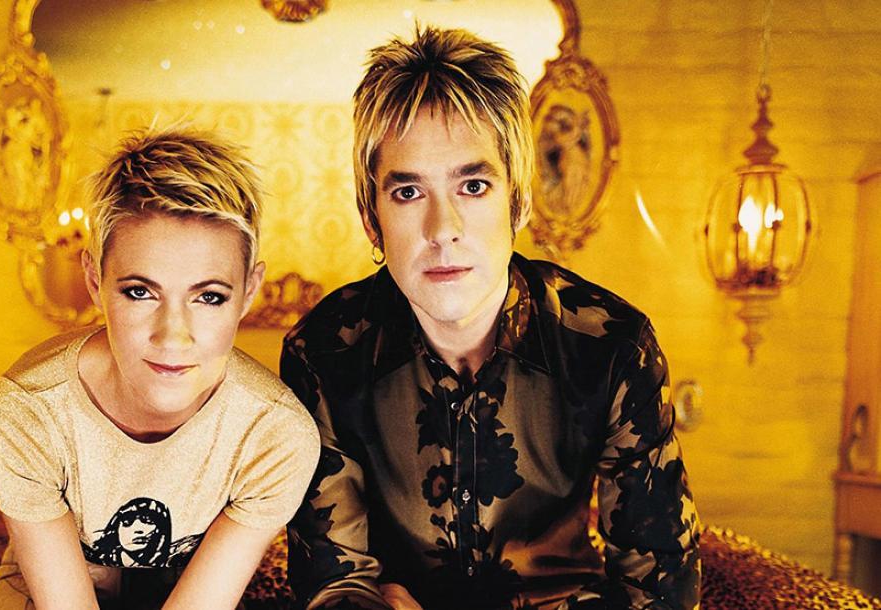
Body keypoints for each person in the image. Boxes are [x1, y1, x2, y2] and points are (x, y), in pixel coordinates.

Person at [282, 25, 700, 610]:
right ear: (371, 218)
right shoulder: (326, 352)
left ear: (517, 201)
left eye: (473, 186)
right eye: (408, 193)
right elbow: (334, 583)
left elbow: (659, 588)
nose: (443, 229)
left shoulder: (611, 345)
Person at [0, 128, 320, 609]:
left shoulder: (275, 436)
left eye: (209, 297)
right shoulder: (27, 411)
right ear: (95, 280)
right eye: (140, 292)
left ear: (249, 291)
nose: (173, 336)